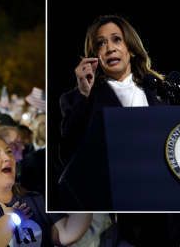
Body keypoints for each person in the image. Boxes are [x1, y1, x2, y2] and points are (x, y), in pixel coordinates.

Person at [59, 15, 168, 167]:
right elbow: (70, 156)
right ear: (95, 56)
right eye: (101, 43)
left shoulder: (161, 92)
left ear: (131, 49)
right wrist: (84, 93)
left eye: (116, 39)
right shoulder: (78, 99)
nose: (110, 49)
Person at [0, 134, 93, 247]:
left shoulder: (34, 198)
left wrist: (88, 193)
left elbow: (67, 233)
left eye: (8, 151)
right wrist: (11, 219)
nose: (7, 157)